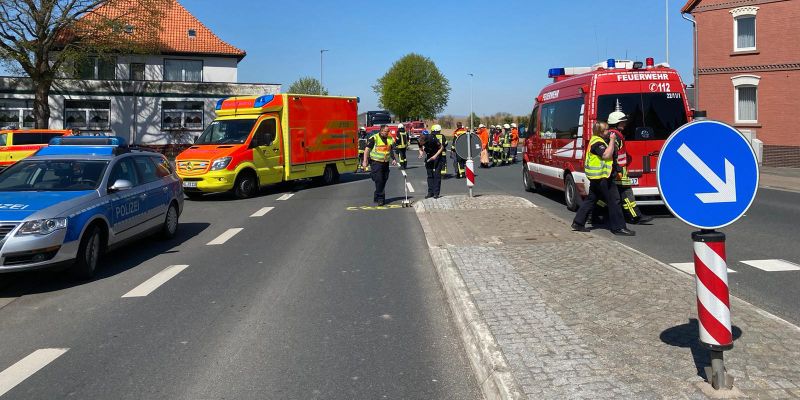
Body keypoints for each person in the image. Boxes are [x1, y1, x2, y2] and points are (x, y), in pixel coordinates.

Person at [572, 121, 635, 236]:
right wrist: (611, 140)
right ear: (600, 132)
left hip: (598, 177)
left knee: (591, 199)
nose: (608, 131)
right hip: (603, 178)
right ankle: (618, 228)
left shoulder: (597, 140)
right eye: (606, 130)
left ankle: (578, 222)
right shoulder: (597, 143)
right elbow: (606, 155)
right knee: (614, 201)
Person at [606, 111, 653, 224]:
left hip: (618, 169)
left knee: (607, 194)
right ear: (616, 123)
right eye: (622, 122)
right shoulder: (615, 136)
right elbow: (613, 154)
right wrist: (617, 168)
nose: (625, 123)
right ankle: (635, 216)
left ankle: (592, 215)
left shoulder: (613, 134)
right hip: (618, 170)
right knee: (626, 193)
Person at [362, 125, 397, 206]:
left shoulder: (389, 138)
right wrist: (365, 160)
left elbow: (390, 149)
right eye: (386, 131)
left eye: (388, 131)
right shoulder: (374, 138)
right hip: (376, 162)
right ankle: (381, 198)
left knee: (384, 179)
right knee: (379, 179)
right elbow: (367, 150)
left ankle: (376, 195)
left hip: (385, 162)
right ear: (381, 131)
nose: (387, 133)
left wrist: (394, 159)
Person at [417, 132, 444, 198]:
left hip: (437, 155)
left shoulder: (432, 138)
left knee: (437, 175)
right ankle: (430, 192)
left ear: (424, 141)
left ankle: (436, 193)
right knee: (430, 175)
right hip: (429, 156)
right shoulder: (419, 141)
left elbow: (441, 147)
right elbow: (420, 149)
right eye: (419, 143)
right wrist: (421, 154)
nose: (420, 144)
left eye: (421, 143)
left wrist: (435, 156)